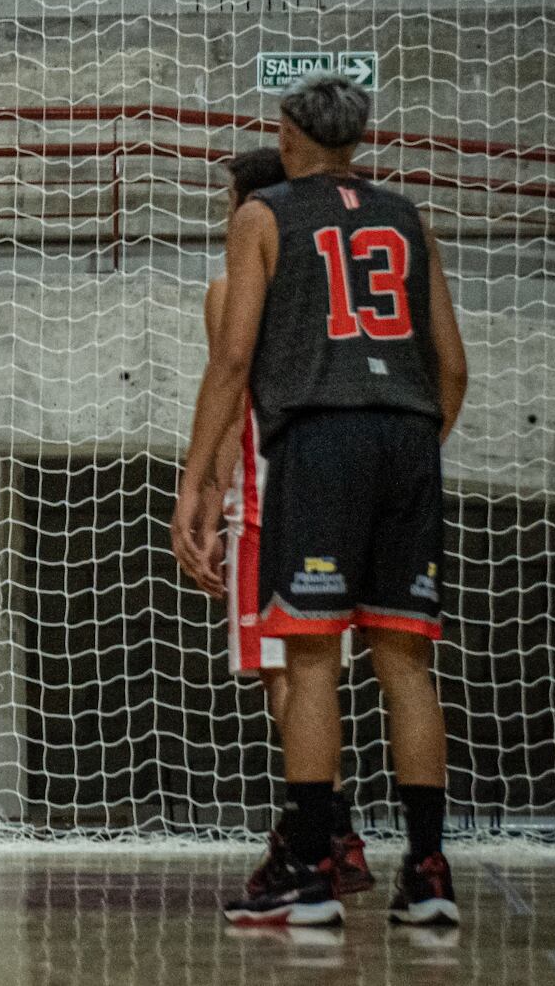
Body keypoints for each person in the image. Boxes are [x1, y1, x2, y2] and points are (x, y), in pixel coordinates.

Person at [172, 77, 468, 928]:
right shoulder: (410, 217)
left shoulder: (263, 215)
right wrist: (410, 449)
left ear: (289, 136)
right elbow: (453, 366)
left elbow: (232, 361)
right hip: (409, 437)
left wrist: (196, 482)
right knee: (406, 663)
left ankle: (307, 867)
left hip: (320, 437)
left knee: (308, 660)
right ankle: (428, 871)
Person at [203, 147, 371, 900]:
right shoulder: (331, 291)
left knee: (287, 682)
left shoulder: (228, 289)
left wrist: (204, 493)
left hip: (267, 497)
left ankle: (327, 834)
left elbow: (230, 386)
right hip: (341, 483)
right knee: (320, 677)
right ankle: (339, 834)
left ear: (251, 208)